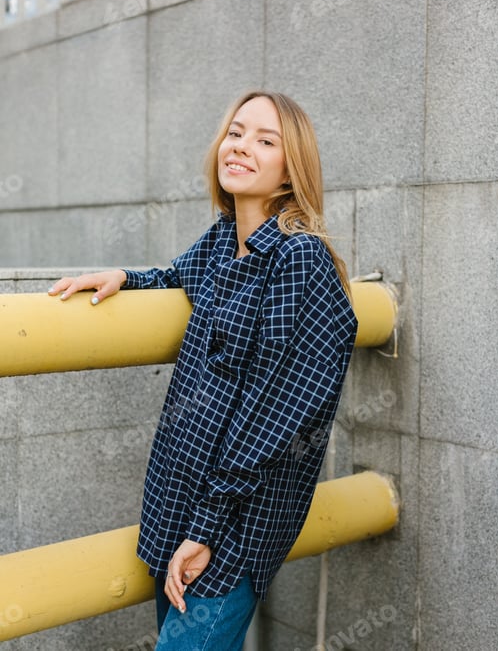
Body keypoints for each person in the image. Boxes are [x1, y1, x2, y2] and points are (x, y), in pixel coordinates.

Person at [48, 91, 358, 651]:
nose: (241, 146)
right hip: (177, 502)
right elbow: (173, 275)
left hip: (234, 523)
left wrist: (208, 527)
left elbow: (276, 416)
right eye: (236, 132)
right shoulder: (223, 241)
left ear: (292, 170)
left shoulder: (299, 259)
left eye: (266, 141)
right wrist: (121, 275)